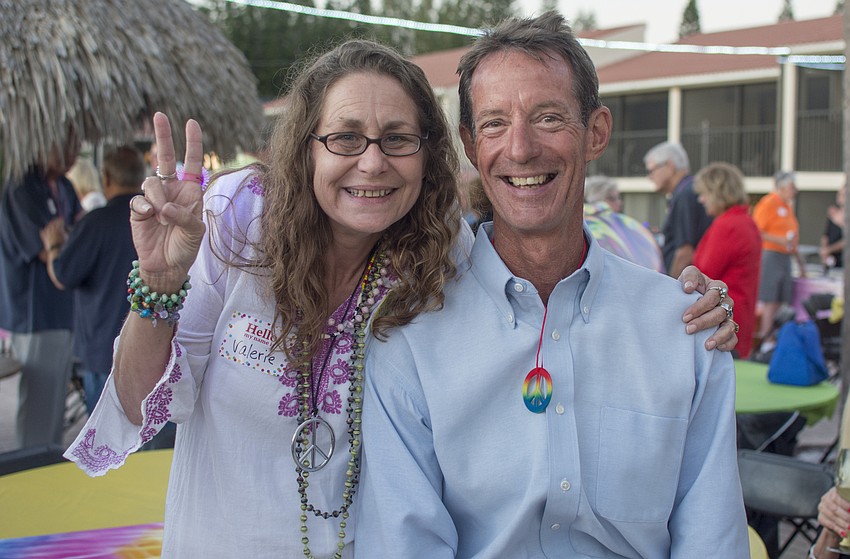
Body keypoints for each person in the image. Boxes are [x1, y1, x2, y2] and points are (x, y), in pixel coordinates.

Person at [64, 40, 734, 558]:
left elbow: (545, 256)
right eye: (346, 137)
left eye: (398, 139)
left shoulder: (437, 259)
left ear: (431, 155)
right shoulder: (236, 223)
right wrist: (158, 283)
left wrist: (684, 298)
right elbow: (136, 401)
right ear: (307, 148)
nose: (373, 161)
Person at [355, 13, 748, 558]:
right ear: (470, 145)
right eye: (494, 123)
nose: (520, 148)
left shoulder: (684, 328)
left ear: (597, 132)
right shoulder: (411, 337)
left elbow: (712, 539)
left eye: (547, 117)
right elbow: (406, 544)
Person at [40, 145, 145, 415]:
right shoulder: (157, 219)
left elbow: (63, 276)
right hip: (151, 347)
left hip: (103, 350)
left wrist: (53, 246)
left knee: (105, 444)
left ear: (106, 178)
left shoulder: (96, 222)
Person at [0, 137, 82, 448]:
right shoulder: (22, 188)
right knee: (37, 400)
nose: (72, 155)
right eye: (65, 146)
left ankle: (46, 457)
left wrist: (61, 244)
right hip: (35, 310)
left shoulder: (64, 186)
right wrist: (59, 246)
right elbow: (46, 251)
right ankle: (31, 462)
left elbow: (73, 240)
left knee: (54, 397)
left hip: (63, 306)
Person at [693, 162, 761, 359]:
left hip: (721, 319)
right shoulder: (745, 221)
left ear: (717, 192)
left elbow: (702, 276)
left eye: (704, 193)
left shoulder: (727, 226)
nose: (701, 199)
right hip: (740, 313)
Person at [753, 171, 807, 347]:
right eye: (792, 187)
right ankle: (766, 339)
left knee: (782, 299)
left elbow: (793, 238)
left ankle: (774, 337)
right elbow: (757, 231)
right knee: (771, 299)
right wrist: (780, 240)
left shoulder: (788, 207)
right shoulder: (768, 204)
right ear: (782, 187)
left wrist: (801, 264)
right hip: (771, 255)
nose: (795, 191)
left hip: (785, 256)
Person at [645, 141, 713, 278]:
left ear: (669, 166)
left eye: (652, 170)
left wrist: (670, 288)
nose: (650, 177)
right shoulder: (689, 190)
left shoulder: (685, 195)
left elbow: (685, 251)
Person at [584, 175, 664, 272]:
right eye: (612, 198)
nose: (620, 203)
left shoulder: (582, 223)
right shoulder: (628, 225)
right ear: (594, 199)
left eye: (619, 198)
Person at [820, 186, 845, 270]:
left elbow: (846, 241)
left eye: (843, 195)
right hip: (830, 259)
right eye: (839, 194)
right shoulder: (833, 214)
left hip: (843, 259)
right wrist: (825, 250)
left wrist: (830, 249)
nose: (840, 197)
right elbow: (825, 235)